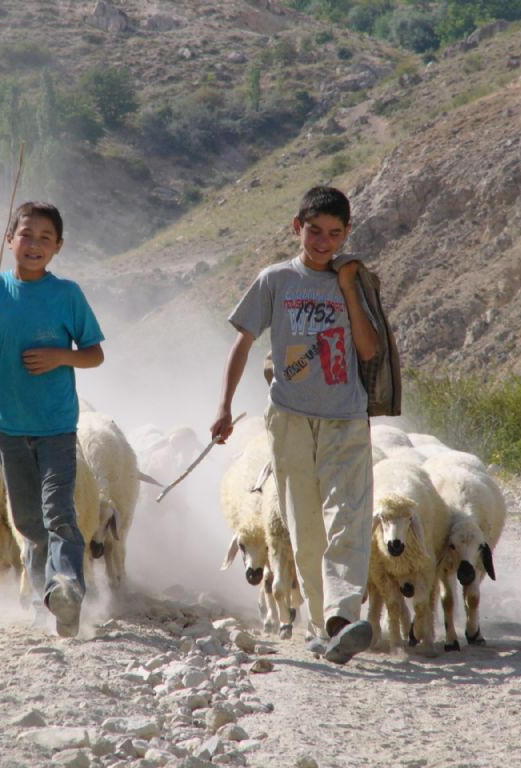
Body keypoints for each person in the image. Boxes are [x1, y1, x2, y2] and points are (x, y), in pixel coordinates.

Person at [209, 185, 379, 665]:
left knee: (347, 515)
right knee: (304, 526)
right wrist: (223, 406)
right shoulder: (275, 280)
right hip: (289, 419)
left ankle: (344, 617)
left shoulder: (356, 281)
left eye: (335, 233)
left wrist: (346, 288)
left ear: (346, 234)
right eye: (314, 231)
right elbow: (242, 344)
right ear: (296, 228)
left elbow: (368, 350)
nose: (324, 242)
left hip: (346, 416)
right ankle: (325, 625)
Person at [0, 201, 104, 638]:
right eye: (26, 235)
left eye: (44, 238)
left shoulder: (67, 295)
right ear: (9, 239)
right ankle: (47, 603)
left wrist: (60, 355)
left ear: (58, 246)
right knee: (28, 524)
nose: (34, 244)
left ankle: (69, 589)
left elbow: (94, 353)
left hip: (56, 424)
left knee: (59, 511)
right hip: (9, 427)